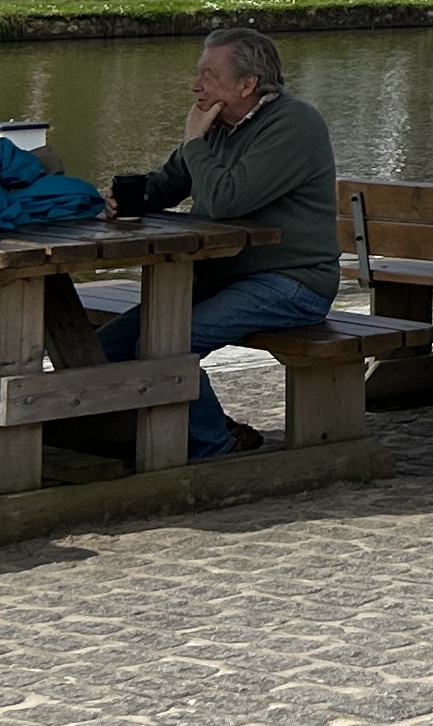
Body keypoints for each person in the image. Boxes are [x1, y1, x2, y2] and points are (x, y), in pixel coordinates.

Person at [97, 26, 341, 461]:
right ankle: (148, 434)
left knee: (167, 344)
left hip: (291, 281)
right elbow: (171, 181)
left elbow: (227, 199)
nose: (196, 86)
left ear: (248, 84)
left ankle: (212, 448)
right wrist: (129, 198)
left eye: (209, 76)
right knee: (102, 348)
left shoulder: (293, 124)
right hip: (224, 276)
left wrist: (193, 142)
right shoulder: (216, 125)